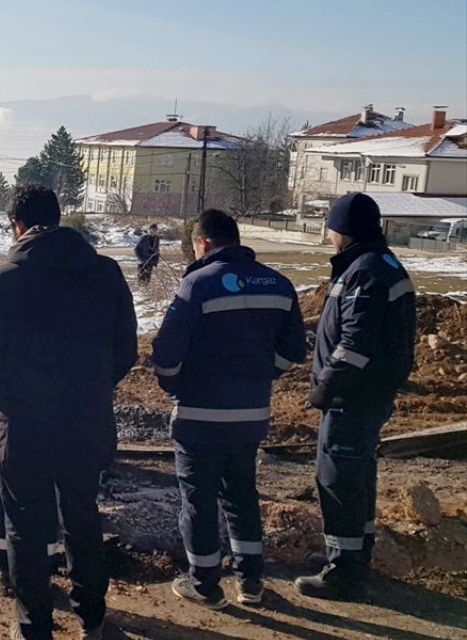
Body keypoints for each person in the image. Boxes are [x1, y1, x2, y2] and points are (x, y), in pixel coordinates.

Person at [0, 185, 138, 640]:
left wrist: (7, 397)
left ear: (16, 226)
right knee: (83, 520)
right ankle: (92, 620)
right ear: (58, 220)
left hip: (21, 428)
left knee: (25, 529)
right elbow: (125, 351)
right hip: (85, 423)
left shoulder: (4, 279)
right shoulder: (105, 274)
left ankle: (33, 627)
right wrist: (90, 390)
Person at [151, 209, 306, 609]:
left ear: (202, 243)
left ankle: (204, 584)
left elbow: (165, 354)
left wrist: (178, 385)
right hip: (251, 415)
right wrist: (260, 376)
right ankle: (251, 582)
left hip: (199, 415)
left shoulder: (197, 284)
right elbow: (293, 350)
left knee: (198, 500)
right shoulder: (279, 283)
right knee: (242, 496)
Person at [295, 193, 416, 600]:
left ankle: (343, 572)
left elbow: (355, 344)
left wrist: (324, 387)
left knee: (338, 477)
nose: (326, 234)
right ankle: (350, 553)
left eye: (328, 226)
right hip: (369, 393)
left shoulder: (364, 272)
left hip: (353, 395)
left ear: (342, 230)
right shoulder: (378, 264)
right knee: (358, 474)